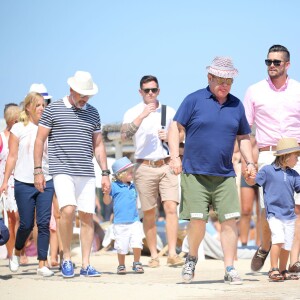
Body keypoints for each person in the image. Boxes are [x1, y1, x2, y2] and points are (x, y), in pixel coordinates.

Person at [168, 56, 256, 285]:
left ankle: (229, 267)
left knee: (229, 221)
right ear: (209, 77)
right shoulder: (193, 100)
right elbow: (174, 128)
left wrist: (249, 163)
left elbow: (244, 136)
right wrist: (175, 157)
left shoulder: (237, 105)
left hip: (225, 175)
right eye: (220, 80)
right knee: (197, 221)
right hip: (194, 173)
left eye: (228, 81)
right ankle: (192, 257)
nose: (224, 85)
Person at [33, 71, 111, 278]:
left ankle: (86, 264)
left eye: (88, 95)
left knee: (87, 215)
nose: (85, 98)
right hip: (61, 170)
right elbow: (40, 140)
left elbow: (99, 145)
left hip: (86, 171)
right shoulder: (53, 109)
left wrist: (105, 173)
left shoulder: (93, 113)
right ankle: (66, 258)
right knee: (67, 210)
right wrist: (38, 170)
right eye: (82, 94)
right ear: (71, 90)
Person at [243, 45, 300, 274]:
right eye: (269, 62)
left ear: (287, 64)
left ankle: (294, 260)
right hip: (268, 153)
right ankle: (266, 245)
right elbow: (244, 130)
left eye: (277, 62)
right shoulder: (254, 91)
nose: (272, 66)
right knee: (270, 209)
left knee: (297, 207)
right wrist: (247, 160)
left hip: (296, 154)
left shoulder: (298, 90)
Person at [121, 75, 184, 268]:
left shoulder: (169, 111)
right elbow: (124, 136)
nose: (150, 93)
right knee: (149, 212)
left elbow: (182, 133)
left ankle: (173, 253)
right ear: (140, 92)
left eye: (154, 90)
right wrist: (141, 116)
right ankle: (155, 255)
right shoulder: (133, 112)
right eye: (147, 90)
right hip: (144, 166)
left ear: (159, 91)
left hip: (166, 164)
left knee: (171, 208)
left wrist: (171, 136)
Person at [0, 92, 54, 277]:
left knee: (44, 223)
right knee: (26, 225)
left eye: (43, 105)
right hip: (23, 182)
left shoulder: (48, 128)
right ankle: (16, 253)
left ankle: (42, 264)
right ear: (29, 107)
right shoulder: (18, 129)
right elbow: (12, 157)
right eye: (37, 105)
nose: (41, 108)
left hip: (46, 179)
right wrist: (5, 181)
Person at [245, 137, 300, 281]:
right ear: (287, 156)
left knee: (287, 244)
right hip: (274, 213)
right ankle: (273, 268)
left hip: (289, 215)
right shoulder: (268, 170)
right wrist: (248, 178)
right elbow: (254, 181)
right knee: (278, 240)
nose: (298, 160)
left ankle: (283, 270)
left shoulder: (294, 174)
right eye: (296, 156)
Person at [103, 156, 144, 274]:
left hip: (135, 220)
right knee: (121, 246)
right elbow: (107, 202)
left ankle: (137, 262)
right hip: (120, 222)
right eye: (130, 171)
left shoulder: (133, 186)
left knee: (137, 242)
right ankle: (121, 265)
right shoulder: (114, 186)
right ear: (121, 174)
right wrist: (106, 193)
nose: (132, 173)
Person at [0, 103, 26, 261]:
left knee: (23, 218)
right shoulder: (2, 137)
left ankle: (19, 250)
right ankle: (12, 253)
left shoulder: (22, 136)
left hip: (22, 178)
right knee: (11, 217)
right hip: (6, 181)